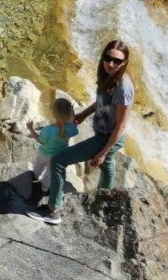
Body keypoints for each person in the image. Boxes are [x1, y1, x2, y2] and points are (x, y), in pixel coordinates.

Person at [28, 40, 135, 225]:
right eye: (108, 58)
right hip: (104, 133)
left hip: (107, 138)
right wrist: (84, 114)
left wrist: (102, 152)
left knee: (58, 161)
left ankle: (53, 211)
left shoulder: (124, 88)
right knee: (107, 165)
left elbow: (121, 126)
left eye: (117, 61)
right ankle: (104, 200)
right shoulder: (110, 77)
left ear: (124, 63)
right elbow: (102, 101)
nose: (111, 64)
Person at [25, 98, 78, 193]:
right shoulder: (71, 128)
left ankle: (35, 176)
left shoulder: (47, 130)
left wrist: (31, 129)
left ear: (54, 114)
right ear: (70, 114)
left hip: (44, 153)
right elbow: (75, 128)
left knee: (38, 165)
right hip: (57, 156)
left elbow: (40, 141)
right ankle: (44, 188)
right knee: (49, 173)